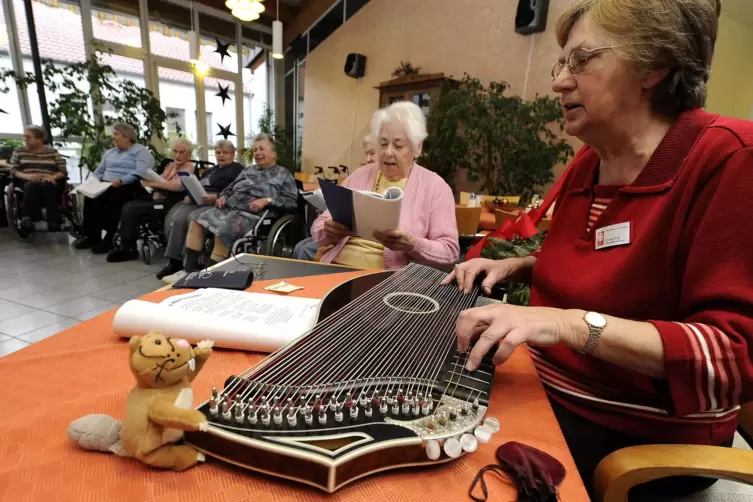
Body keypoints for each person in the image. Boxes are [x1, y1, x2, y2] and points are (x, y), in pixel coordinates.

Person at [444, 0, 753, 499]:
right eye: (561, 64)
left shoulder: (731, 159)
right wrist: (516, 267)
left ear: (654, 62)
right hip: (545, 387)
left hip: (639, 435)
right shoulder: (591, 164)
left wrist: (565, 322)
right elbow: (605, 268)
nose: (560, 82)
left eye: (582, 60)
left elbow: (734, 358)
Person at [311, 101, 459, 270]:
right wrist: (329, 230)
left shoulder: (435, 188)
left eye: (398, 145)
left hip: (389, 279)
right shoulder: (360, 175)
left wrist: (412, 244)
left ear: (417, 148)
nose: (388, 152)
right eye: (382, 144)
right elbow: (318, 228)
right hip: (337, 268)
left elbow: (450, 253)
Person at [183, 133, 298, 271]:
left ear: (273, 154)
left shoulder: (283, 174)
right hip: (229, 208)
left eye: (262, 149)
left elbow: (291, 201)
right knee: (196, 219)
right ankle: (188, 271)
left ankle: (208, 274)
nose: (257, 153)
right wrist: (223, 197)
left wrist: (267, 200)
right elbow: (230, 188)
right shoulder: (248, 170)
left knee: (222, 228)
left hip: (252, 215)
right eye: (255, 150)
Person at [156, 140, 245, 281]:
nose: (221, 155)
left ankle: (187, 263)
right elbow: (197, 185)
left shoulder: (236, 169)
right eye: (218, 152)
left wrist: (215, 196)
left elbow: (234, 190)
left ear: (233, 154)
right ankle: (174, 261)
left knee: (191, 217)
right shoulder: (210, 170)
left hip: (214, 202)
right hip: (199, 200)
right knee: (178, 218)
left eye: (225, 153)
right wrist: (190, 195)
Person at [105, 138, 196, 263]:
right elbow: (159, 181)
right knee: (128, 205)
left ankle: (128, 249)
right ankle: (127, 243)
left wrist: (154, 183)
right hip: (159, 198)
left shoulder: (188, 167)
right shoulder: (170, 166)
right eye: (175, 151)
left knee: (132, 209)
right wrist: (151, 181)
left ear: (189, 155)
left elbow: (176, 186)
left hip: (172, 203)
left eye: (182, 152)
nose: (177, 155)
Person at [293, 134, 378, 261]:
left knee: (304, 249)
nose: (367, 158)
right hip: (341, 233)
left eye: (372, 153)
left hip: (356, 242)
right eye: (366, 153)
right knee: (300, 246)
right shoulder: (359, 176)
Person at [73, 123, 154, 254]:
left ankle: (110, 237)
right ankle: (92, 236)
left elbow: (141, 171)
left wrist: (122, 180)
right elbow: (99, 170)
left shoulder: (139, 151)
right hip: (106, 184)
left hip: (127, 185)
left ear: (127, 137)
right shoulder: (110, 152)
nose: (113, 138)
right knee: (90, 197)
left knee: (114, 198)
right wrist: (91, 182)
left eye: (117, 135)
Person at [9, 125, 67, 234]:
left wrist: (51, 177)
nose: (25, 139)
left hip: (49, 179)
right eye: (24, 137)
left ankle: (53, 221)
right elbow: (14, 170)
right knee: (32, 185)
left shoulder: (52, 152)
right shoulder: (19, 151)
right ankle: (27, 219)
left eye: (29, 137)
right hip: (26, 179)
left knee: (47, 186)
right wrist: (29, 177)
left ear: (40, 139)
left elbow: (62, 171)